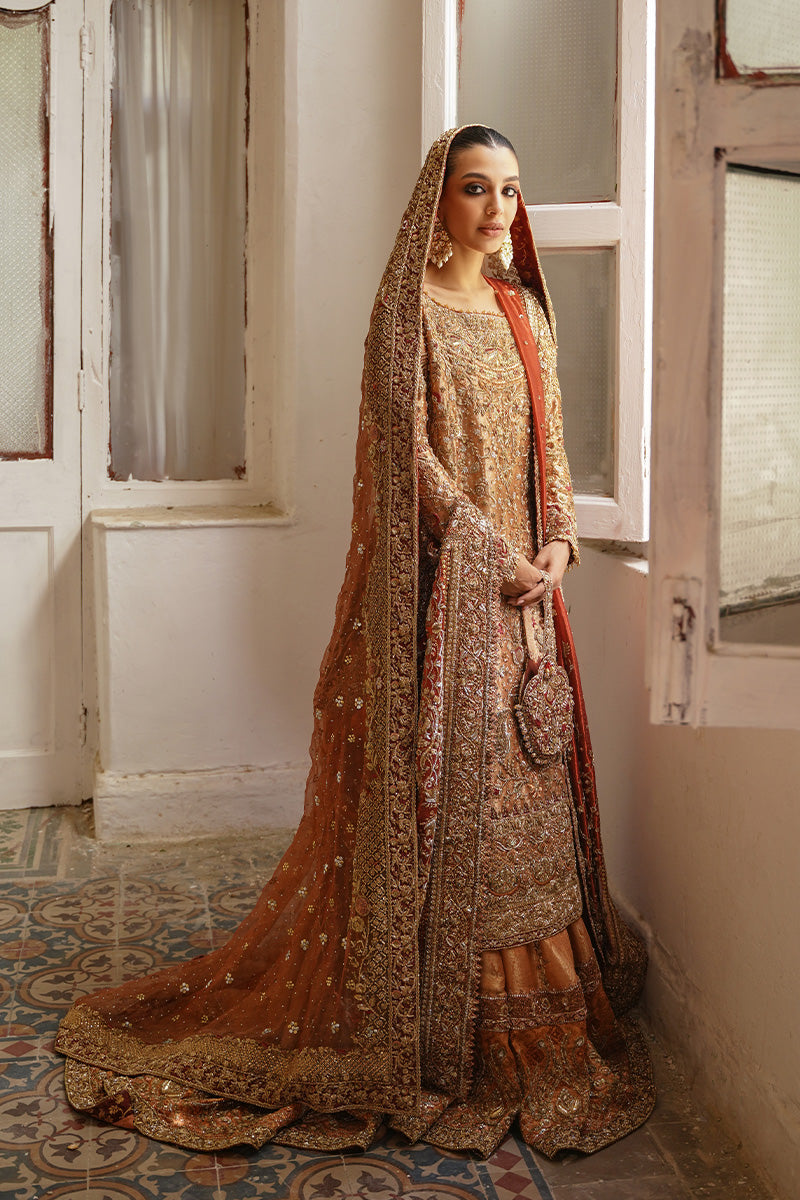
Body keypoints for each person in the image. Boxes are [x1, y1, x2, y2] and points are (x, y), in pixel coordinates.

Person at [56, 126, 654, 1157]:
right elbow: (407, 458)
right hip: (446, 597)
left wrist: (556, 542)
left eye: (510, 191)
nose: (497, 210)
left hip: (527, 601)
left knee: (532, 795)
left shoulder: (523, 310)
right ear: (438, 202)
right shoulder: (404, 316)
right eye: (476, 189)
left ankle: (547, 1011)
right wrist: (486, 550)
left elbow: (549, 444)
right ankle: (443, 1026)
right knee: (452, 802)